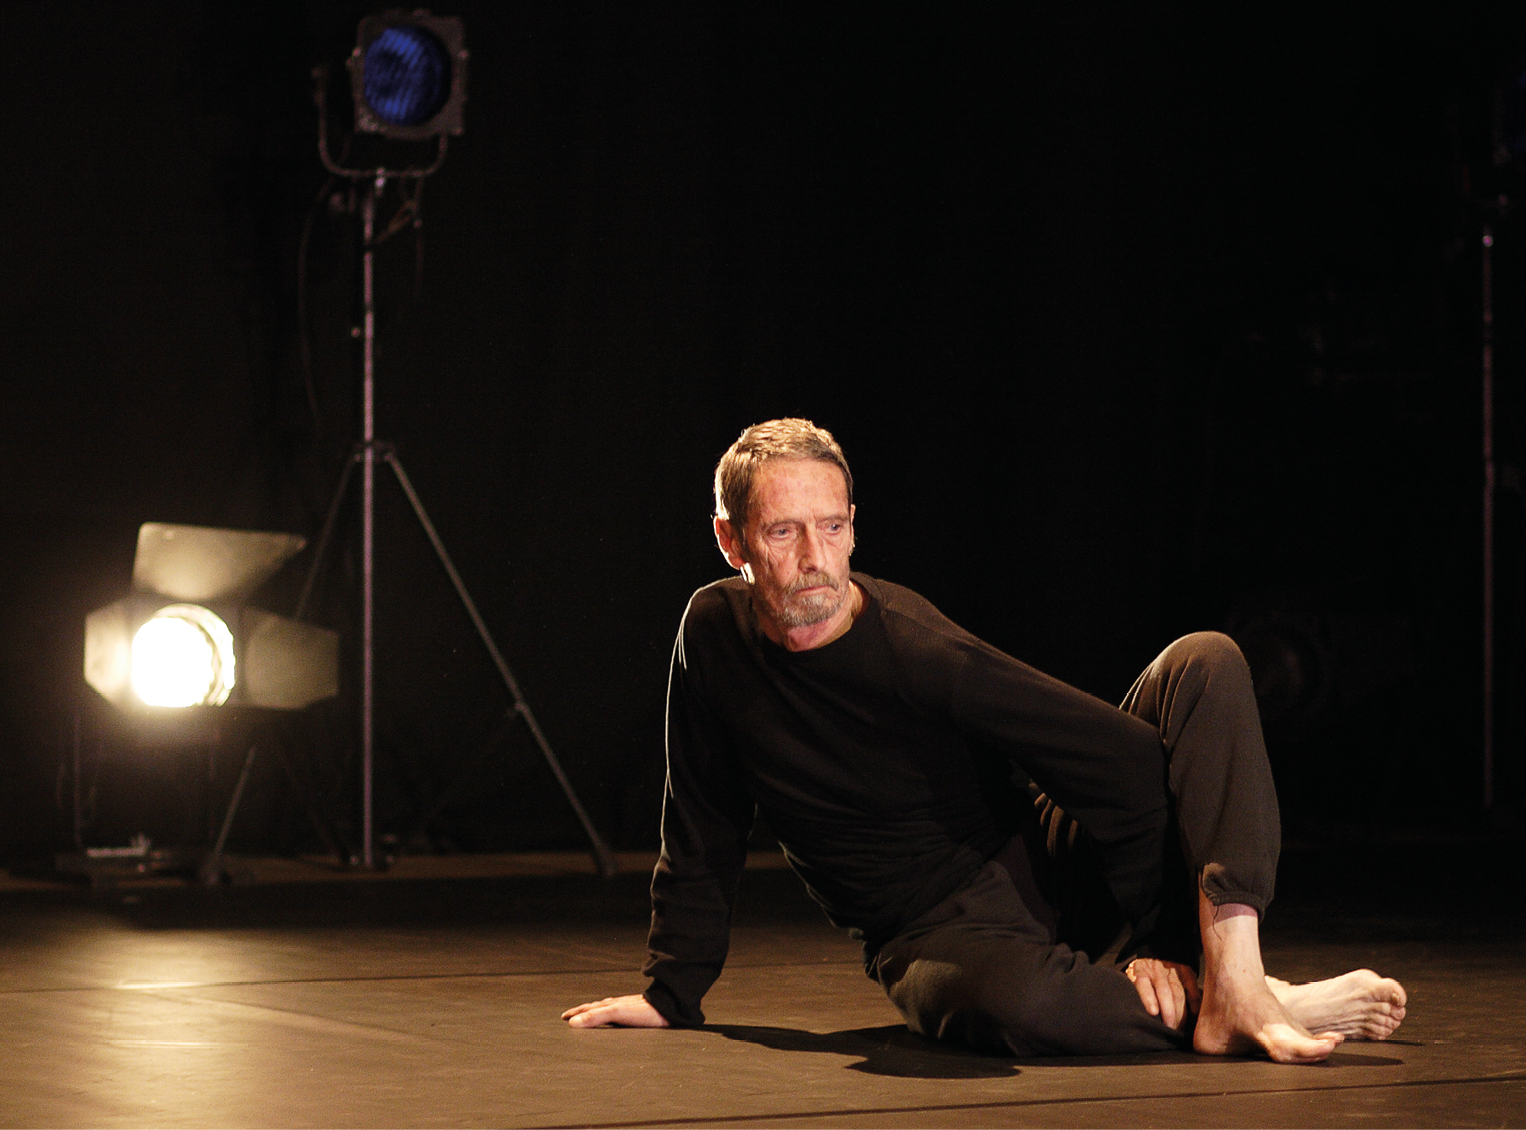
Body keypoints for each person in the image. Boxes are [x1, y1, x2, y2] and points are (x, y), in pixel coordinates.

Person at [563, 419, 1406, 1062]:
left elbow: (1118, 765)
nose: (815, 558)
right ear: (733, 541)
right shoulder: (713, 638)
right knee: (1006, 1010)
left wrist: (1162, 943)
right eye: (784, 532)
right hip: (929, 935)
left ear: (854, 526)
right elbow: (701, 819)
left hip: (1043, 866)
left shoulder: (918, 649)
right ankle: (1262, 1002)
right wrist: (672, 992)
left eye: (831, 528)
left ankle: (1235, 970)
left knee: (1208, 661)